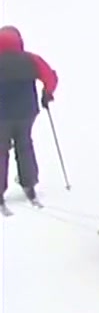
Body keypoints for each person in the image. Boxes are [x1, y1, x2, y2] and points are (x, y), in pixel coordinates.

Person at [0, 26, 58, 209]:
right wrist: (47, 93)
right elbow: (50, 76)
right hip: (26, 113)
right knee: (24, 145)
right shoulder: (31, 59)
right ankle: (29, 184)